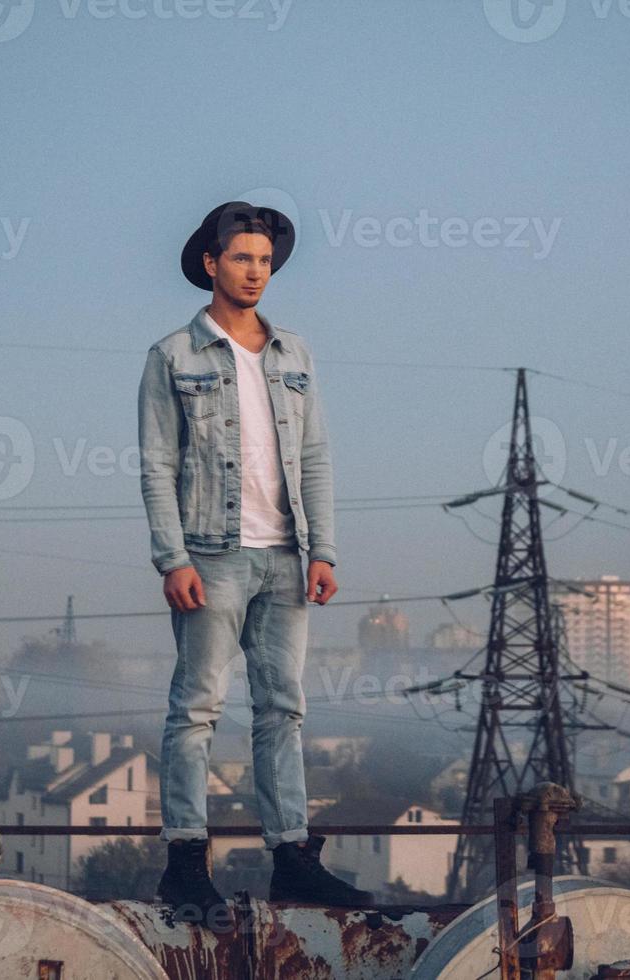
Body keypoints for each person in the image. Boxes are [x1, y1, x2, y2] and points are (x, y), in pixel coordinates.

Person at [137, 200, 373, 923]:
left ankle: (292, 858)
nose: (256, 273)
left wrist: (323, 549)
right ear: (211, 264)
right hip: (211, 558)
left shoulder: (294, 354)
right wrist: (172, 557)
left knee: (282, 709)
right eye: (242, 258)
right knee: (197, 708)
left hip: (286, 558)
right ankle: (184, 862)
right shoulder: (174, 356)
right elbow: (155, 464)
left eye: (265, 261)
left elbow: (316, 458)